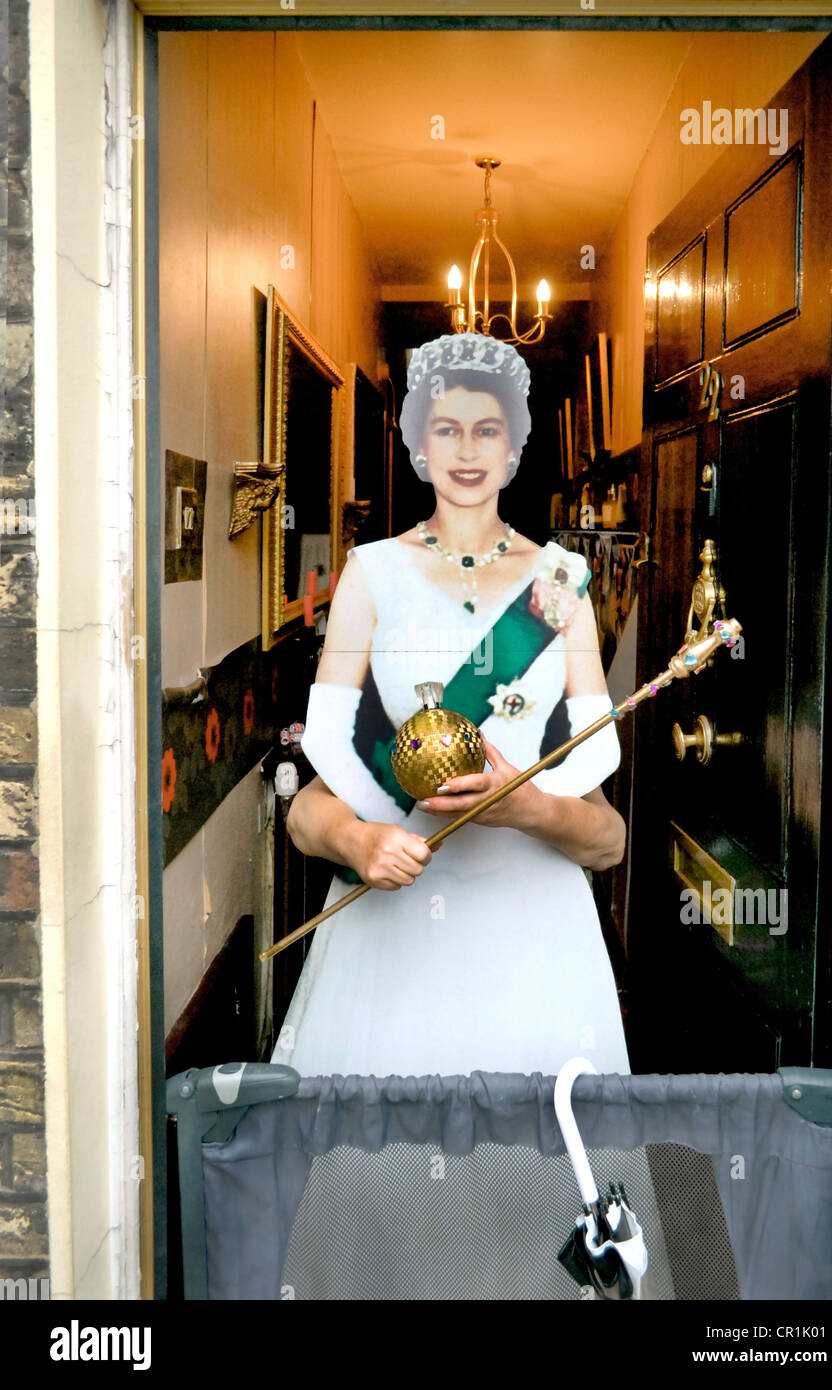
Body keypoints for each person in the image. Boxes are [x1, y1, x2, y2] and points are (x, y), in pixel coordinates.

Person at [272, 332, 631, 1078]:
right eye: (446, 429)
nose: (467, 451)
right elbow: (315, 795)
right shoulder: (370, 575)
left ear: (512, 448)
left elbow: (604, 827)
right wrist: (363, 842)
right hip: (392, 934)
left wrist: (527, 806)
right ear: (418, 445)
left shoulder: (561, 583)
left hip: (536, 940)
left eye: (487, 429)